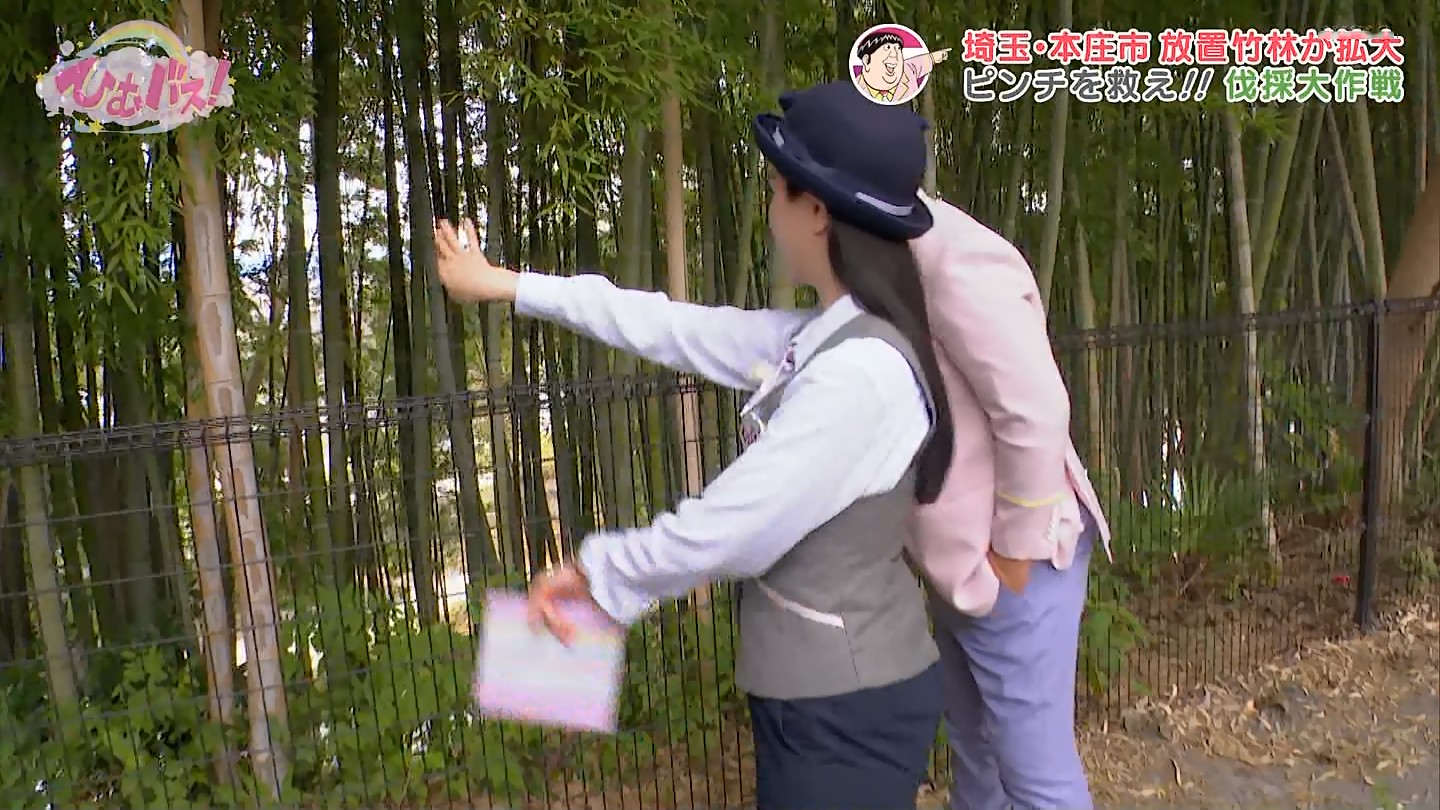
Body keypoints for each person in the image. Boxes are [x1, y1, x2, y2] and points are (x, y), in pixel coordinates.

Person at [434, 82, 955, 810]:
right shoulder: (821, 337)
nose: (769, 210)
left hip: (845, 707)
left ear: (816, 211)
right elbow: (668, 325)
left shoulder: (861, 375)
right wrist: (505, 285)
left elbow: (731, 528)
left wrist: (597, 572)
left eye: (776, 190)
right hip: (817, 694)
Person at [908, 189, 1113, 810]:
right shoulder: (880, 260)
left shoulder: (947, 257)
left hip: (1014, 563)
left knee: (1035, 775)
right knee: (979, 756)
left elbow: (1035, 410)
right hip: (960, 563)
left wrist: (1013, 555)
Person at [853, 28, 949, 104]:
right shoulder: (855, 89)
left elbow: (923, 61)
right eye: (887, 48)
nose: (894, 55)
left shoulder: (907, 71)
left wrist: (937, 56)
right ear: (866, 60)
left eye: (898, 48)